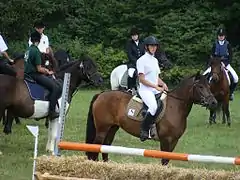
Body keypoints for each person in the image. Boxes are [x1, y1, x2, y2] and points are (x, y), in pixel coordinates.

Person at [136, 36, 168, 142]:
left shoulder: (155, 60)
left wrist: (163, 84)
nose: (154, 48)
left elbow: (156, 77)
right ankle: (144, 130)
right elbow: (141, 79)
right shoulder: (141, 60)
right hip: (145, 90)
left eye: (155, 46)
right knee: (153, 106)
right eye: (151, 46)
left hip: (154, 89)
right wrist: (155, 86)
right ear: (146, 47)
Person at [24, 31, 61, 120]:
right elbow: (39, 69)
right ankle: (52, 112)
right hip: (34, 75)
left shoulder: (28, 50)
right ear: (39, 40)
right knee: (55, 88)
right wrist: (48, 72)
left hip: (26, 74)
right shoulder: (36, 51)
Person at [203, 28, 238, 100]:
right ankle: (206, 94)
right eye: (219, 35)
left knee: (235, 78)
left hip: (225, 63)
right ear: (217, 36)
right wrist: (212, 64)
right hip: (215, 64)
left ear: (224, 36)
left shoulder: (228, 45)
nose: (221, 37)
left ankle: (230, 93)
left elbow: (230, 56)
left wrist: (225, 64)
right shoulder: (215, 44)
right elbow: (212, 55)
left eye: (222, 35)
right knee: (204, 76)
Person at [126, 27, 145, 91]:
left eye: (135, 35)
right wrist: (137, 62)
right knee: (131, 73)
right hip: (133, 63)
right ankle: (130, 88)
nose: (134, 37)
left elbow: (144, 53)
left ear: (137, 35)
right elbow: (130, 55)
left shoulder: (142, 43)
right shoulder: (129, 44)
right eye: (132, 36)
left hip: (143, 63)